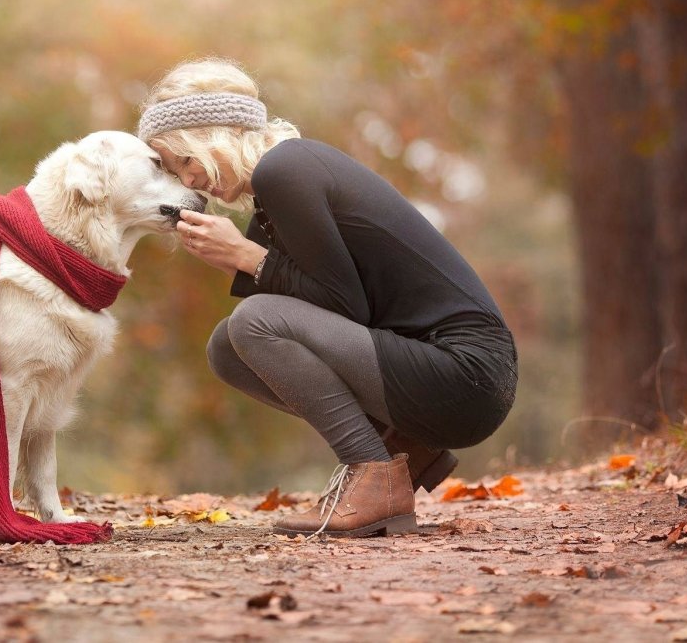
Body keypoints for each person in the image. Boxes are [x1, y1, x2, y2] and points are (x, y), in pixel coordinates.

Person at [136, 58, 517, 538]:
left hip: (465, 374)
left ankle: (373, 472)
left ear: (214, 136)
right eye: (177, 173)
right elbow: (325, 307)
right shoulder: (278, 183)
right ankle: (402, 448)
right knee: (227, 347)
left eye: (186, 161)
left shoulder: (285, 170)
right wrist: (239, 259)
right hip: (444, 374)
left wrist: (247, 256)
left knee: (253, 321)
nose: (189, 182)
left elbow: (343, 307)